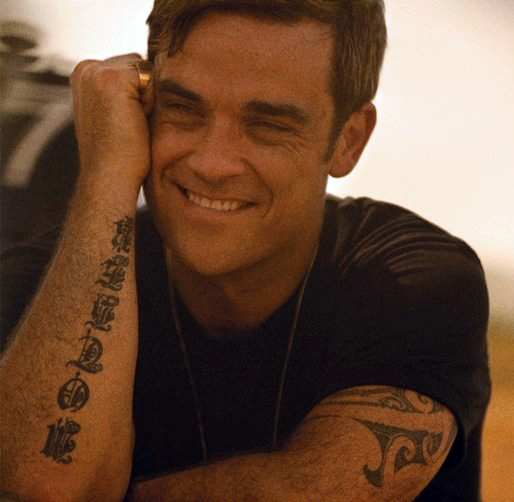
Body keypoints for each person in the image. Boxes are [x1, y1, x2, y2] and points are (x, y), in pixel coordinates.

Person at [0, 1, 490, 501]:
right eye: (183, 109)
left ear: (348, 139)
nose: (212, 164)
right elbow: (48, 486)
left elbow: (314, 492)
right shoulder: (39, 285)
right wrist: (106, 175)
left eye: (269, 125)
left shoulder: (409, 279)